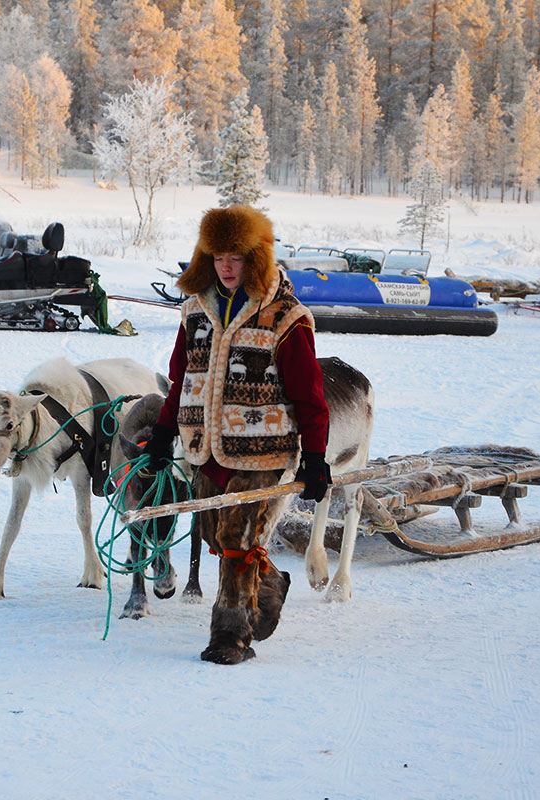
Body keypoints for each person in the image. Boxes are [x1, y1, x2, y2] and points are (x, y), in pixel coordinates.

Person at [143, 205, 331, 665]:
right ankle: (268, 583)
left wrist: (316, 457)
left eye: (237, 257)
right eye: (218, 256)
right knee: (216, 535)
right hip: (205, 449)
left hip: (263, 452)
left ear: (256, 258)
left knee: (238, 540)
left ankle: (230, 636)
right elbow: (181, 376)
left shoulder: (286, 317)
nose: (227, 267)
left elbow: (309, 395)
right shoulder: (194, 312)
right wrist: (165, 432)